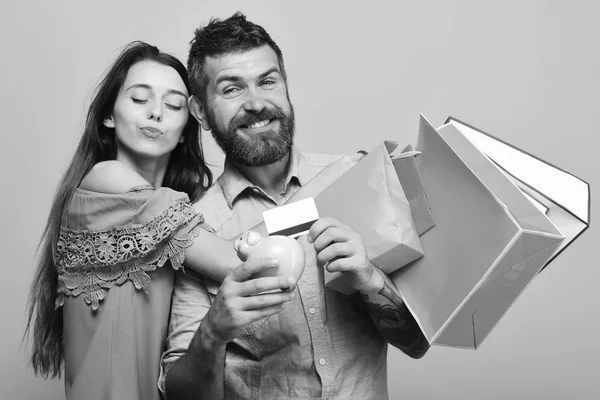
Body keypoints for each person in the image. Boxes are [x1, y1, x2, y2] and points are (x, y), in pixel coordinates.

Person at [161, 12, 430, 400]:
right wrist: (213, 332)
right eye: (232, 89)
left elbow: (416, 343)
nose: (256, 102)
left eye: (268, 82)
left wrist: (370, 279)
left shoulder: (358, 178)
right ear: (200, 111)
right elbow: (179, 394)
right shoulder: (195, 232)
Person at [25, 41, 300, 400]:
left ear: (188, 124)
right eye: (140, 100)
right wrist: (323, 197)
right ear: (109, 115)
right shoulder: (108, 181)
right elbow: (238, 259)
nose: (156, 113)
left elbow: (240, 245)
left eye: (172, 105)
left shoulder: (176, 215)